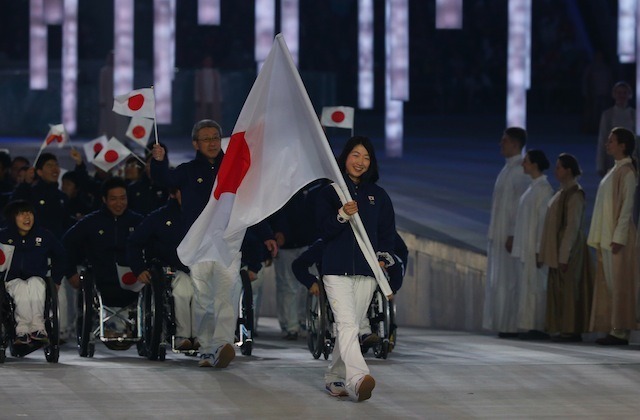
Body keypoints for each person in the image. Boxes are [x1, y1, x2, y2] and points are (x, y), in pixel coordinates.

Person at [150, 119, 277, 368]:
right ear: (195, 144)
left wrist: (266, 234)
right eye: (206, 139)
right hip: (199, 244)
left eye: (215, 138)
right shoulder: (187, 171)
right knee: (203, 299)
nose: (212, 143)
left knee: (227, 296)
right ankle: (206, 349)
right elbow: (163, 179)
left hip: (227, 243)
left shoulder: (233, 169)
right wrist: (158, 160)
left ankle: (222, 345)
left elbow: (248, 205)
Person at [316, 136, 396, 402]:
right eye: (355, 155)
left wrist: (383, 259)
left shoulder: (378, 196)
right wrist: (341, 215)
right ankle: (359, 378)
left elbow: (387, 234)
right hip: (336, 270)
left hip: (367, 272)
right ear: (345, 157)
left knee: (347, 328)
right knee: (348, 324)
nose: (360, 162)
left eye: (366, 157)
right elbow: (321, 230)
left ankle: (334, 377)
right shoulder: (330, 192)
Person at [292, 232, 408, 352]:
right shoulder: (326, 243)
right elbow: (298, 265)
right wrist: (310, 282)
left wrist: (391, 288)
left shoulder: (372, 243)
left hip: (365, 286)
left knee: (366, 288)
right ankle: (359, 332)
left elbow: (396, 265)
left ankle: (363, 332)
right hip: (335, 286)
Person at [587, 127, 639, 345]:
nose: (607, 144)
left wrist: (618, 237)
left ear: (622, 145)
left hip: (618, 239)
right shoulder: (615, 170)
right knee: (611, 284)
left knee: (619, 285)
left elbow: (627, 208)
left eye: (611, 141)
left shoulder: (627, 173)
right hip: (609, 237)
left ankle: (620, 331)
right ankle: (614, 327)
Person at [127, 188, 197, 351]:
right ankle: (184, 336)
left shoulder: (201, 214)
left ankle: (203, 335)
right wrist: (139, 269)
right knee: (184, 291)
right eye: (182, 190)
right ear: (173, 193)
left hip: (199, 267)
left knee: (205, 291)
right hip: (170, 269)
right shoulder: (158, 217)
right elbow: (134, 242)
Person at [63, 177, 144, 309]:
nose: (119, 203)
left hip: (133, 283)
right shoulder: (91, 222)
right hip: (100, 283)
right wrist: (70, 273)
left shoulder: (138, 221)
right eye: (113, 199)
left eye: (123, 198)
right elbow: (66, 244)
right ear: (104, 200)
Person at [538, 154, 593, 342]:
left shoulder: (575, 194)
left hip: (570, 250)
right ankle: (562, 327)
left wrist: (563, 255)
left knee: (569, 289)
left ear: (569, 170)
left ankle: (571, 330)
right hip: (558, 248)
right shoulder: (561, 192)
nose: (556, 170)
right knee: (559, 290)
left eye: (559, 167)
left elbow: (572, 227)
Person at [482, 127, 530, 337]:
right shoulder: (507, 169)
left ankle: (511, 325)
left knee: (510, 282)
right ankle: (503, 324)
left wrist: (512, 233)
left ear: (515, 144)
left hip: (509, 237)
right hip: (498, 235)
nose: (501, 144)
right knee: (500, 281)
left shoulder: (520, 170)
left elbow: (519, 207)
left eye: (505, 141)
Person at [0, 200, 66, 345]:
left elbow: (61, 256)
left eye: (29, 213)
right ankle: (22, 330)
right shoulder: (3, 236)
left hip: (37, 278)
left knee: (35, 283)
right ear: (13, 217)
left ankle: (38, 328)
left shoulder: (44, 236)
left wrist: (56, 279)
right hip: (10, 280)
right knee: (20, 287)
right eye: (21, 214)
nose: (27, 217)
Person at [269, 180, 327, 340]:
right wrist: (277, 232)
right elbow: (275, 211)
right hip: (286, 243)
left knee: (306, 286)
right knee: (288, 286)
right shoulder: (283, 185)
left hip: (309, 242)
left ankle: (304, 322)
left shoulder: (319, 185)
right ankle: (290, 326)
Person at [511, 150, 554, 338]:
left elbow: (543, 223)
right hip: (525, 247)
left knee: (536, 288)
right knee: (528, 287)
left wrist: (538, 249)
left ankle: (537, 326)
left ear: (535, 164)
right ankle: (530, 325)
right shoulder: (532, 188)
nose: (523, 165)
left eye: (526, 162)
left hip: (533, 249)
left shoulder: (544, 190)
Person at [596, 81, 635, 177]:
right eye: (619, 93)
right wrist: (600, 166)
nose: (621, 95)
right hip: (612, 162)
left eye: (624, 93)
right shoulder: (608, 115)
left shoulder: (635, 115)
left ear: (629, 94)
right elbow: (602, 140)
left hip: (631, 161)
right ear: (614, 94)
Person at [194, 56, 223, 124]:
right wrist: (197, 99)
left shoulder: (215, 73)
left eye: (209, 61)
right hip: (203, 99)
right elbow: (197, 87)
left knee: (214, 117)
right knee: (203, 117)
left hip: (214, 99)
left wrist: (220, 99)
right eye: (206, 61)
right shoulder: (200, 73)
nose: (208, 63)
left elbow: (218, 87)